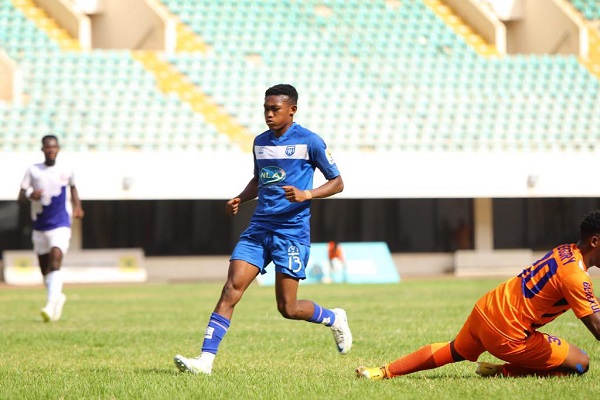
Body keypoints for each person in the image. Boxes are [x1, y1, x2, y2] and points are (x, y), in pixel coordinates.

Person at [174, 84, 352, 375]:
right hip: (259, 227)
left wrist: (307, 194)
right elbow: (260, 179)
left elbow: (338, 182)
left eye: (275, 109)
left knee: (288, 308)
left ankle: (334, 318)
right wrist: (240, 198)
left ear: (292, 110)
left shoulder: (311, 141)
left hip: (291, 232)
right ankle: (205, 361)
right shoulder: (260, 142)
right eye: (266, 109)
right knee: (231, 290)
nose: (268, 114)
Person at [357, 209, 600, 379]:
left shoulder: (564, 251)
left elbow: (581, 296)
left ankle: (382, 372)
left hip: (486, 309)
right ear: (595, 241)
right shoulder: (576, 277)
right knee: (580, 363)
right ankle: (503, 371)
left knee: (452, 350)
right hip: (508, 334)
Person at [18, 135, 84, 322]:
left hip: (60, 223)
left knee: (56, 259)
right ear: (43, 149)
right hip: (40, 225)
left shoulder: (66, 169)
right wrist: (31, 195)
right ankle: (57, 298)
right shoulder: (33, 170)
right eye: (48, 147)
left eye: (54, 147)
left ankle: (49, 305)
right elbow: (21, 195)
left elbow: (73, 188)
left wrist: (78, 206)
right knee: (45, 270)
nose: (51, 150)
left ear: (58, 149)